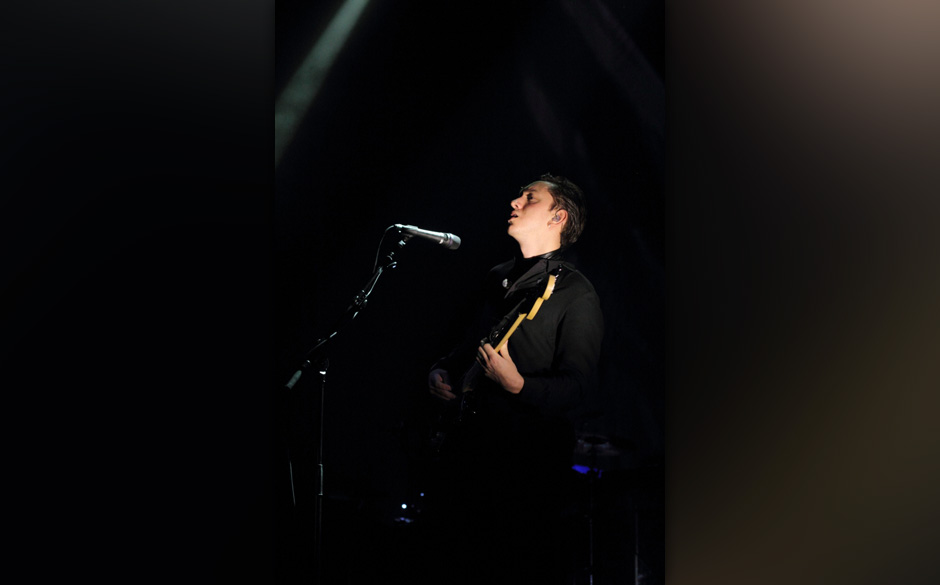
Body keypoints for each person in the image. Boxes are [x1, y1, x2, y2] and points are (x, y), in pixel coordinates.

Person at [419, 173, 604, 585]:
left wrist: (519, 385)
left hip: (524, 467)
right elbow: (466, 344)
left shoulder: (575, 292)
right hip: (467, 453)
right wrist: (440, 371)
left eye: (529, 198)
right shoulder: (496, 276)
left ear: (558, 217)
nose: (515, 202)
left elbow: (580, 387)